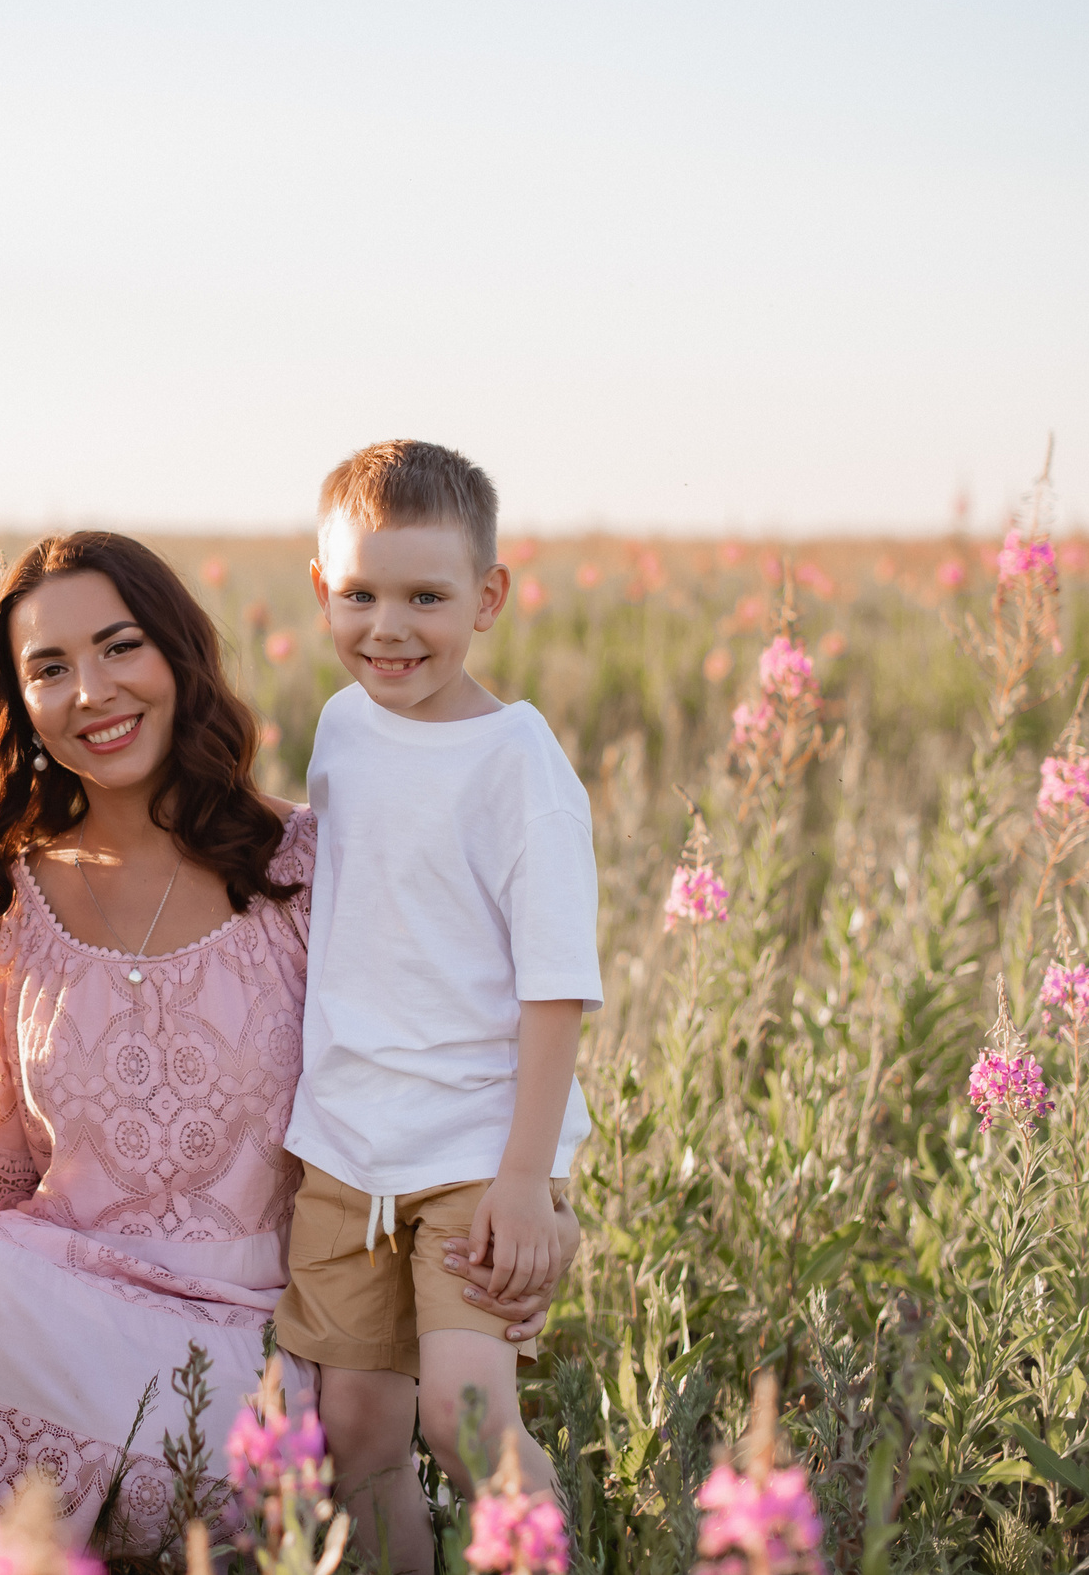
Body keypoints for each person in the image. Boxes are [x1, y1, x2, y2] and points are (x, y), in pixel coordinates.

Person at [0, 531, 570, 1556]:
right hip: (81, 1314)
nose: (91, 690)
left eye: (120, 647)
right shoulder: (5, 903)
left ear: (177, 655)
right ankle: (62, 1532)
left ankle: (223, 1516)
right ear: (18, 702)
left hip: (285, 1332)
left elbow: (444, 1033)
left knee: (320, 1432)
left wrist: (530, 1186)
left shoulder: (300, 864)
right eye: (49, 668)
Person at [274, 441, 604, 1571]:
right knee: (354, 1427)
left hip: (473, 1144)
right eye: (358, 594)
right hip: (344, 1144)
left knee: (465, 1420)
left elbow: (555, 987)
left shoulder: (516, 760)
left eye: (426, 596)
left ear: (489, 598)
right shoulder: (340, 727)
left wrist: (526, 1175)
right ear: (321, 590)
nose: (389, 627)